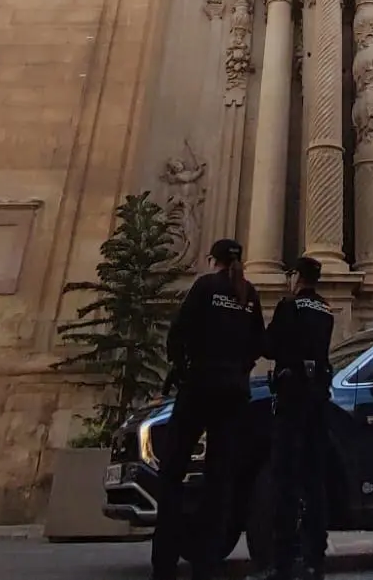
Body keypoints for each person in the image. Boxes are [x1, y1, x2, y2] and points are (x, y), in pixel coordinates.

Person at [153, 238, 266, 580]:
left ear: (213, 259)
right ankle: (208, 564)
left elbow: (179, 332)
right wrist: (240, 370)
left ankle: (165, 564)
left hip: (199, 388)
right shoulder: (249, 294)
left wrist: (183, 368)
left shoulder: (205, 286)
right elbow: (258, 343)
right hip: (233, 394)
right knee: (221, 480)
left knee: (172, 473)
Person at [260, 256, 335, 580]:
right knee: (315, 480)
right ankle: (315, 558)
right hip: (318, 398)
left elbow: (270, 347)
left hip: (292, 400)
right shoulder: (327, 310)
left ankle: (283, 561)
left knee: (286, 480)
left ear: (296, 277)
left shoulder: (289, 307)